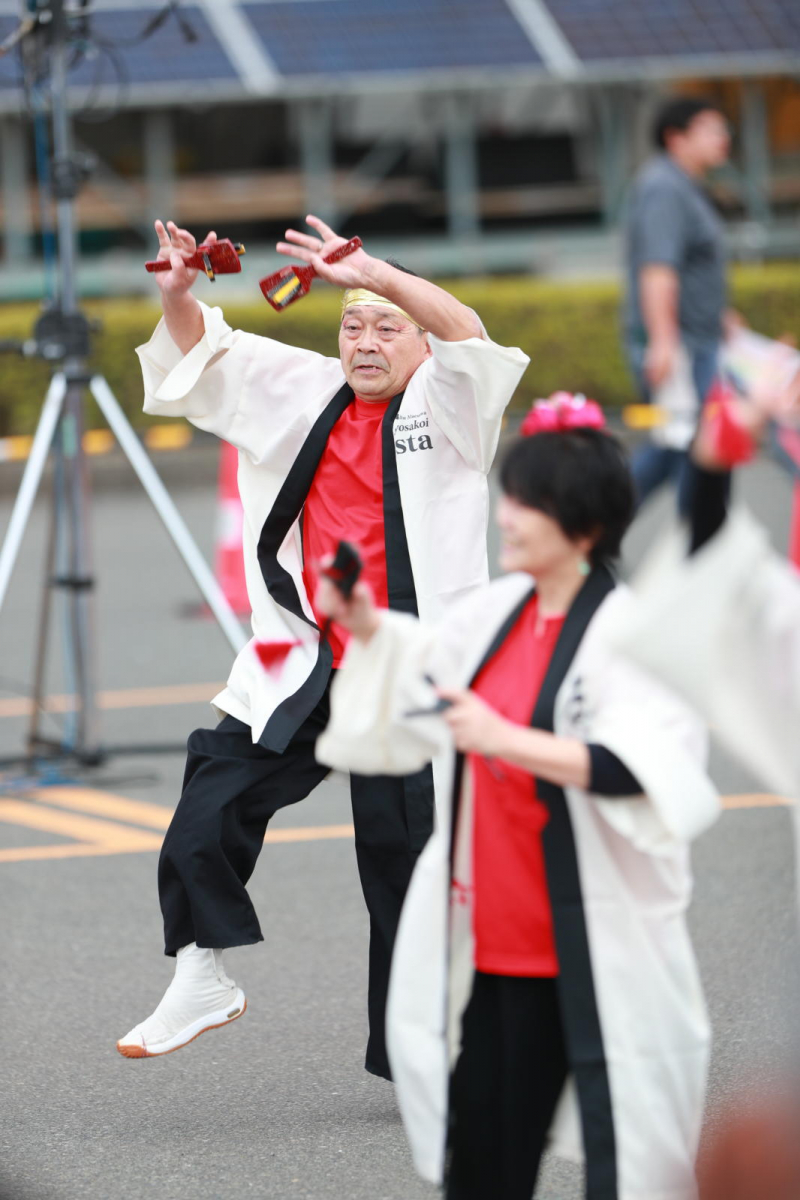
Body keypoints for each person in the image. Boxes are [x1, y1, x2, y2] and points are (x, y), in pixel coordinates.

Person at [115, 216, 529, 1074]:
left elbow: (470, 335)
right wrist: (178, 295)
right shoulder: (300, 388)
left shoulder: (451, 402)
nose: (365, 340)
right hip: (300, 649)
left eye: (386, 326)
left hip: (417, 662)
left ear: (417, 342)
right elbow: (204, 362)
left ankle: (428, 1049)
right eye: (352, 324)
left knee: (405, 860)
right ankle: (201, 970)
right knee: (209, 800)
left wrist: (371, 273)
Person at [316, 395, 719, 1199]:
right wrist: (364, 623)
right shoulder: (497, 612)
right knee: (484, 1167)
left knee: (626, 1163)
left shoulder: (630, 636)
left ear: (584, 523)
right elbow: (425, 666)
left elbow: (644, 768)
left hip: (594, 952)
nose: (507, 517)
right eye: (510, 497)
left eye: (527, 503)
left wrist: (503, 739)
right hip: (497, 946)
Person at [623, 95, 734, 513]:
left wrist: (723, 319)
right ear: (676, 138)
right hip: (682, 346)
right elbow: (657, 269)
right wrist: (664, 340)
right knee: (697, 445)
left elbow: (690, 268)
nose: (723, 139)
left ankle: (590, 530)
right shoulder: (663, 187)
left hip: (697, 339)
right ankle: (589, 529)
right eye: (711, 129)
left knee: (678, 447)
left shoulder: (684, 185)